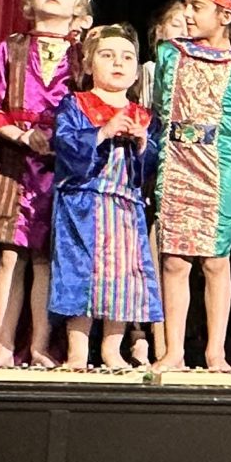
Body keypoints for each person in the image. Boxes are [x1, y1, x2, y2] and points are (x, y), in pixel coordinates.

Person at [0, 0, 90, 367]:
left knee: (46, 257)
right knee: (10, 255)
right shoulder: (10, 49)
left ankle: (40, 344)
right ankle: (3, 346)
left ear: (78, 5)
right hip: (14, 164)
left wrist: (65, 140)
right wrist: (21, 135)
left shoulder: (84, 56)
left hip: (62, 168)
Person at [150, 0, 231, 370]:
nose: (188, 14)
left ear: (226, 16)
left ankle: (216, 352)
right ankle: (173, 351)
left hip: (218, 168)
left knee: (215, 260)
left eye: (197, 7)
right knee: (174, 260)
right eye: (188, 5)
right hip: (175, 163)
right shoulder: (170, 54)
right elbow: (159, 106)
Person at [48, 24, 160, 371]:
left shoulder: (143, 116)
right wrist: (102, 132)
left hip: (125, 207)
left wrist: (143, 144)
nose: (118, 63)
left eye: (127, 57)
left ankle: (113, 349)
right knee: (80, 274)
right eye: (107, 55)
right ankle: (78, 351)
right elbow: (65, 144)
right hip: (83, 204)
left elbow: (151, 164)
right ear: (88, 64)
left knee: (123, 279)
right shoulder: (75, 104)